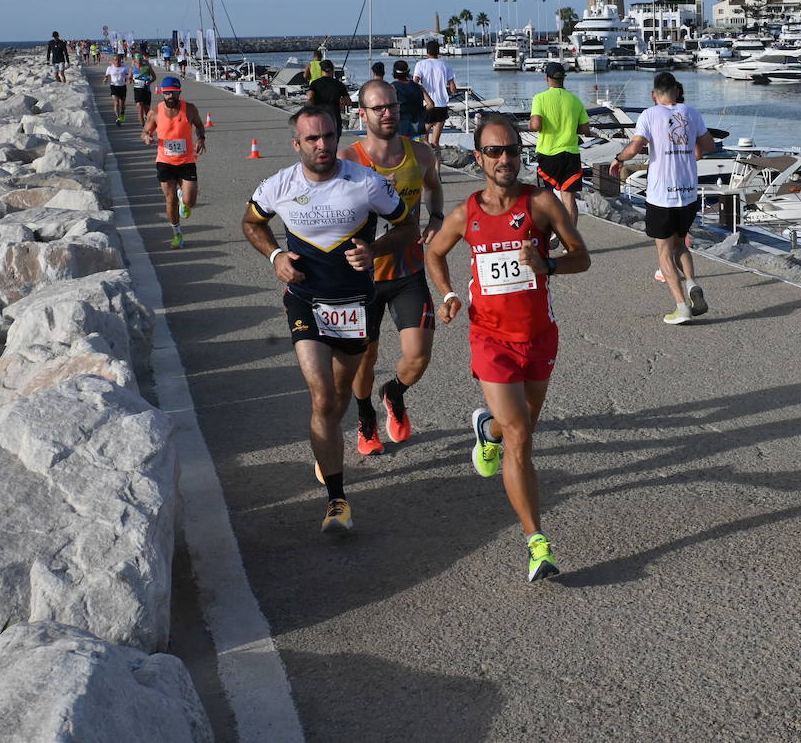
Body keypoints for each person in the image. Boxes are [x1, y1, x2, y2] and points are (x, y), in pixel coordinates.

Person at [427, 112, 591, 582]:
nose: (505, 159)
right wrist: (449, 294)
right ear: (478, 158)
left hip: (539, 336)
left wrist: (548, 265)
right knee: (521, 435)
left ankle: (489, 429)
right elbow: (434, 251)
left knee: (521, 427)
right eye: (494, 151)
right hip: (490, 338)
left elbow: (581, 257)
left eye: (513, 150)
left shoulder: (541, 202)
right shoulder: (467, 213)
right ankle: (537, 543)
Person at [242, 105, 417, 534]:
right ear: (296, 144)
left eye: (329, 136)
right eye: (313, 139)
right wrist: (275, 255)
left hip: (355, 304)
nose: (322, 145)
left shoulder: (367, 182)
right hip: (305, 300)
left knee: (338, 397)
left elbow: (408, 228)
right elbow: (251, 222)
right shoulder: (279, 185)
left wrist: (373, 251)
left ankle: (328, 446)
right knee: (322, 397)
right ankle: (337, 501)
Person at [341, 80, 444, 455]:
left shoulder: (421, 153)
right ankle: (366, 417)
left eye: (393, 107)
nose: (388, 113)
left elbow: (433, 186)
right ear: (362, 114)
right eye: (379, 108)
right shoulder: (348, 161)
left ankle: (394, 393)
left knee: (418, 356)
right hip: (362, 278)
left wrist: (436, 216)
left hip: (407, 271)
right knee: (364, 358)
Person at [610, 73, 717, 324]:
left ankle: (682, 308)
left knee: (664, 253)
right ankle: (692, 285)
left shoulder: (649, 114)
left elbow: (634, 148)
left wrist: (619, 158)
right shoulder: (692, 113)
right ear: (677, 91)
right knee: (681, 245)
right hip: (687, 194)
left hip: (661, 196)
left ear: (654, 94)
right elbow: (709, 147)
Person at [141, 76, 206, 249]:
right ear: (162, 93)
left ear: (179, 93)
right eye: (167, 93)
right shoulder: (155, 112)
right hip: (165, 162)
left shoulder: (189, 109)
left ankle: (184, 199)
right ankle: (177, 234)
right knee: (170, 200)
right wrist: (147, 137)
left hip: (186, 161)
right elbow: (145, 131)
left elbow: (199, 125)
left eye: (174, 93)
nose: (170, 96)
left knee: (190, 201)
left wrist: (201, 138)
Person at [529, 61, 590, 230]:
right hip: (571, 153)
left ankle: (547, 236)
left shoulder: (540, 98)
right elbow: (585, 129)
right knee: (569, 199)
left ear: (547, 78)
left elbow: (536, 125)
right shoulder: (575, 100)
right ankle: (570, 240)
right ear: (564, 78)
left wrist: (530, 124)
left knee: (546, 198)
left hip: (548, 154)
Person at [412, 40, 457, 148]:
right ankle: (437, 159)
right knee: (435, 142)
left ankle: (426, 158)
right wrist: (446, 92)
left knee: (423, 140)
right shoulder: (446, 65)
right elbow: (453, 88)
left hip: (427, 106)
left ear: (427, 51)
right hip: (441, 106)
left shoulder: (420, 64)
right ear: (438, 51)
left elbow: (414, 83)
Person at [307, 59, 352, 134]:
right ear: (333, 70)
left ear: (321, 70)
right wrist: (342, 103)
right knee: (334, 138)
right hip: (334, 116)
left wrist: (313, 107)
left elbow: (310, 97)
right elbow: (348, 102)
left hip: (320, 115)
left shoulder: (315, 83)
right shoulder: (339, 84)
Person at [391, 60, 430, 139]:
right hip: (418, 125)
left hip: (403, 125)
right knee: (417, 145)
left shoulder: (393, 87)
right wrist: (421, 111)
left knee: (403, 146)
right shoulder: (418, 86)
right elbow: (430, 104)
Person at [104, 54, 132, 126]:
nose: (117, 61)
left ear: (121, 60)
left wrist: (129, 79)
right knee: (116, 103)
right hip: (114, 86)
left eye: (119, 60)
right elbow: (107, 75)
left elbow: (129, 76)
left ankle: (122, 113)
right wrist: (105, 79)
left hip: (122, 87)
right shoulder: (110, 68)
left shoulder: (125, 67)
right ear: (113, 61)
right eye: (115, 60)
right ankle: (118, 118)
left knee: (122, 105)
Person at [131, 56, 157, 126]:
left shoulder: (147, 67)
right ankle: (143, 126)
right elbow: (129, 77)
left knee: (147, 109)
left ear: (142, 59)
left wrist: (150, 82)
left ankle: (146, 118)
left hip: (146, 90)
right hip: (137, 90)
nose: (139, 60)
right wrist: (131, 80)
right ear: (135, 60)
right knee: (140, 107)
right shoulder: (132, 68)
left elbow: (154, 77)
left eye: (140, 59)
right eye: (138, 59)